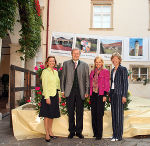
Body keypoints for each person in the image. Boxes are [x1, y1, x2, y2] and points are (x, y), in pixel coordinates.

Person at [61, 48, 89, 139]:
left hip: (81, 92)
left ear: (79, 54)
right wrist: (62, 90)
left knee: (80, 112)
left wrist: (86, 91)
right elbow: (63, 78)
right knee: (70, 112)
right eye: (74, 53)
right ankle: (72, 131)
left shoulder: (85, 65)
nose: (76, 55)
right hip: (69, 92)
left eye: (77, 53)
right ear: (71, 54)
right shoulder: (66, 64)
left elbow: (87, 80)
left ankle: (79, 131)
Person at [39, 56, 61, 142]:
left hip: (55, 96)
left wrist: (59, 95)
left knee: (52, 115)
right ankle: (47, 133)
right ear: (47, 62)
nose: (52, 62)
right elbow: (44, 85)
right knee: (47, 115)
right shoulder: (45, 72)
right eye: (50, 61)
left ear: (55, 62)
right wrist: (47, 97)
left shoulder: (55, 72)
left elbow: (57, 85)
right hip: (48, 96)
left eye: (53, 61)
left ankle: (51, 131)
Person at [90, 56, 110, 140]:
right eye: (96, 62)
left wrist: (105, 95)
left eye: (99, 62)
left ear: (102, 63)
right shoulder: (92, 72)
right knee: (93, 114)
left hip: (101, 95)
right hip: (93, 95)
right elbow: (90, 83)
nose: (98, 63)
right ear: (95, 63)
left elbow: (107, 84)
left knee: (99, 114)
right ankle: (95, 132)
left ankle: (99, 134)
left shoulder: (105, 71)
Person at [110, 52, 128, 141]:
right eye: (113, 59)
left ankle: (119, 136)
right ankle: (114, 134)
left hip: (120, 94)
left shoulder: (123, 69)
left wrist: (124, 95)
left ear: (119, 60)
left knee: (119, 115)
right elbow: (112, 83)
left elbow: (125, 83)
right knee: (113, 115)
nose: (115, 60)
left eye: (116, 59)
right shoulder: (112, 70)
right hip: (113, 93)